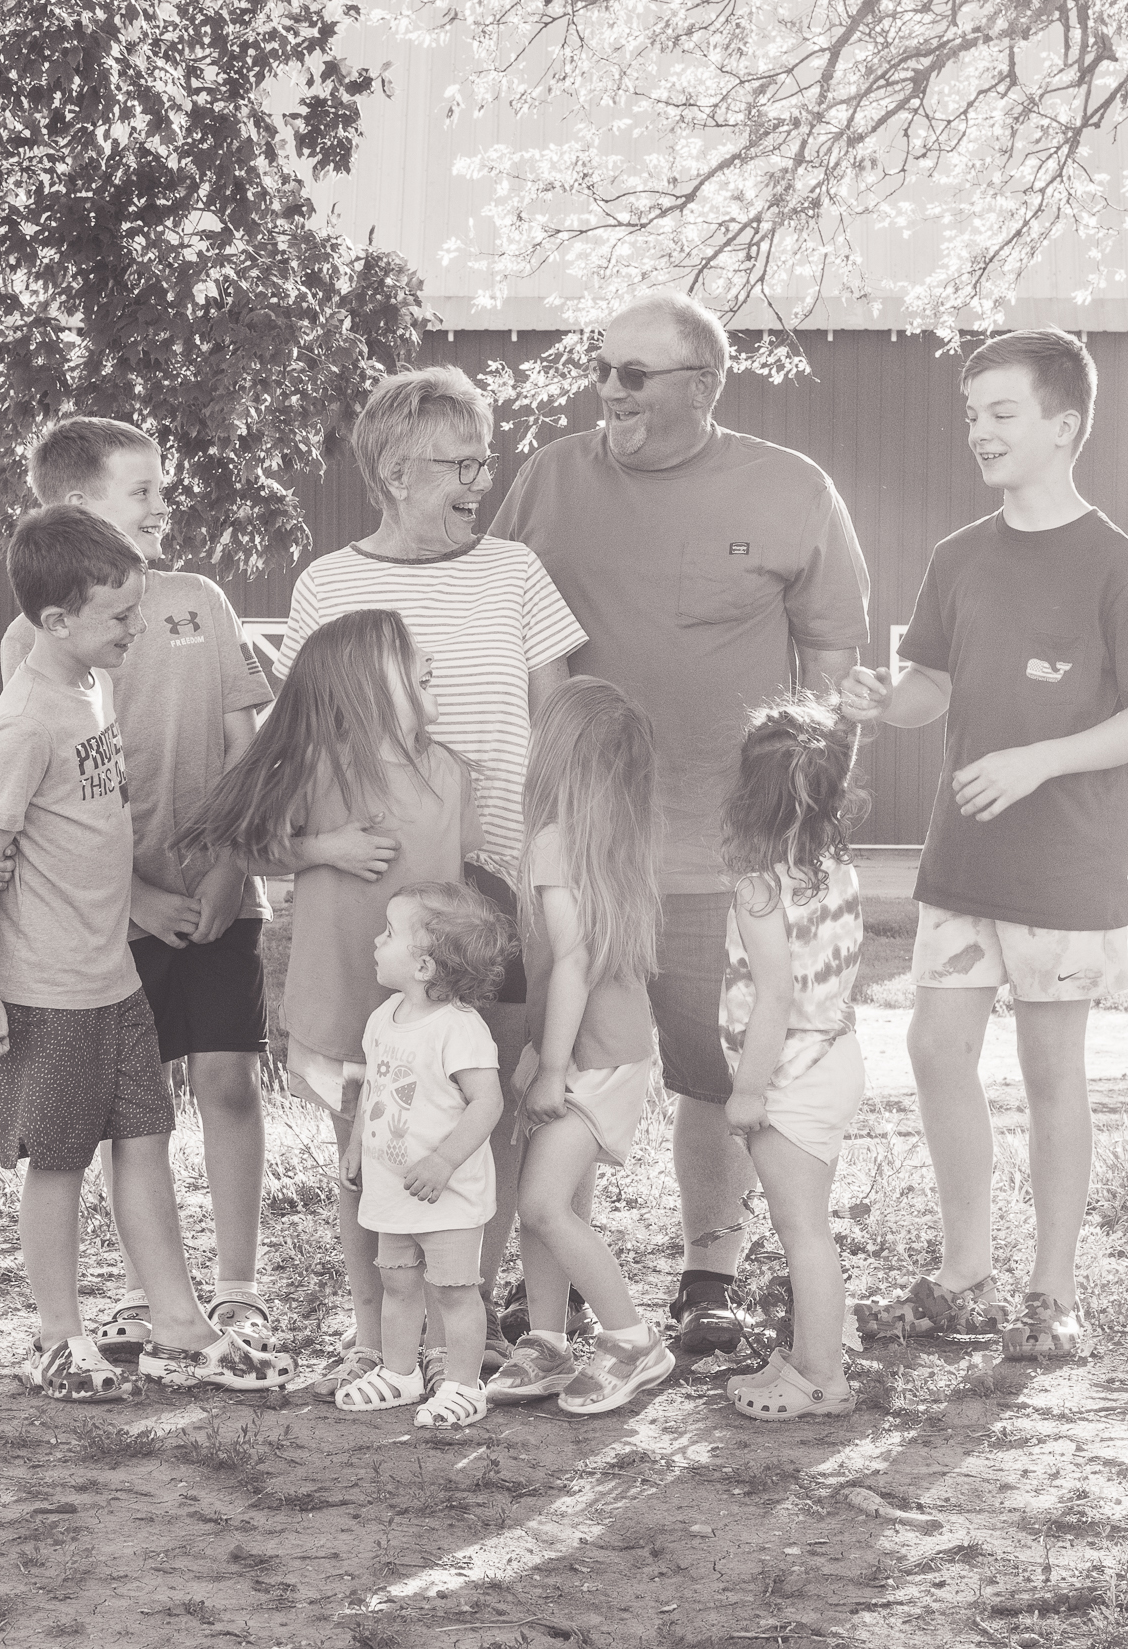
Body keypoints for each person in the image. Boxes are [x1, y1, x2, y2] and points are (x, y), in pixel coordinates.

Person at [490, 291, 872, 1352]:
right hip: (583, 850)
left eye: (632, 374)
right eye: (599, 368)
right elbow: (505, 623)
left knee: (713, 1073)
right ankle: (559, 1276)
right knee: (565, 1061)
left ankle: (710, 1272)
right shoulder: (550, 481)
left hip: (725, 851)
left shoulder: (790, 491)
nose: (605, 391)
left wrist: (800, 815)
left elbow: (831, 663)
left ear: (701, 386)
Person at [0, 418, 395, 1361]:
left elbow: (246, 748)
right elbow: (47, 793)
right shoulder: (31, 636)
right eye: (141, 492)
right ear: (75, 508)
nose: (163, 504)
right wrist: (134, 899)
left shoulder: (198, 601)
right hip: (107, 914)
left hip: (221, 890)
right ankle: (146, 1291)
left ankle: (237, 1287)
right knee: (134, 1110)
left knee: (225, 1079)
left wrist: (230, 866)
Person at [841, 327, 1128, 1360]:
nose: (977, 431)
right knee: (934, 1048)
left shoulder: (1115, 565)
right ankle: (963, 1278)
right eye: (970, 414)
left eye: (1000, 413)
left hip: (1065, 871)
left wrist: (1039, 760)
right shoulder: (956, 557)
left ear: (1062, 426)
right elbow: (930, 689)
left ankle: (1052, 1294)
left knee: (1049, 1075)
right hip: (962, 865)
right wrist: (882, 698)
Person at [277, 366, 587, 1357]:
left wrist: (561, 851)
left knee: (477, 1097)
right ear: (395, 472)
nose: (477, 480)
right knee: (373, 1107)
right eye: (458, 462)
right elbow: (296, 740)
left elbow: (561, 720)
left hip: (497, 883)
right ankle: (380, 1323)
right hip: (376, 892)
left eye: (481, 459)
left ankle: (469, 1311)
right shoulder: (330, 585)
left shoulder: (515, 572)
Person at [0, 504, 291, 1399]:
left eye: (138, 612)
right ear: (55, 621)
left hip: (113, 976)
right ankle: (60, 1339)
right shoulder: (26, 721)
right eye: (119, 618)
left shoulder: (90, 687)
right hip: (50, 987)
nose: (136, 630)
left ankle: (180, 1322)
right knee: (60, 1161)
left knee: (144, 1139)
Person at [182, 608, 483, 1396]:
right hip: (344, 1015)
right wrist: (323, 848)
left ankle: (435, 1334)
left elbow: (466, 889)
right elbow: (242, 839)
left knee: (431, 1173)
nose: (432, 670)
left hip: (427, 1028)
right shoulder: (320, 769)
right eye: (414, 662)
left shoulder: (451, 774)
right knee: (363, 1179)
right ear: (365, 682)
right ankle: (370, 1331)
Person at [484, 679, 677, 1415]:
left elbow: (571, 960)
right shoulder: (615, 842)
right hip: (611, 1046)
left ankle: (632, 1341)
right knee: (555, 1194)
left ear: (555, 758)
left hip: (590, 1057)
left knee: (539, 1204)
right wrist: (541, 1047)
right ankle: (547, 1340)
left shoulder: (553, 844)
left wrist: (553, 1066)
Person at [718, 698, 867, 1420]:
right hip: (835, 1056)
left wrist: (748, 1092)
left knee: (803, 1230)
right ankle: (809, 1361)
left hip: (791, 1076)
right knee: (809, 1224)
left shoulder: (759, 883)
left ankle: (825, 1381)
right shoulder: (831, 862)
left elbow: (774, 993)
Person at [336, 882, 510, 1429]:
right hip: (393, 1188)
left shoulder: (459, 1028)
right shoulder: (383, 1017)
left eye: (389, 934)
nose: (376, 939)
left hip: (447, 1193)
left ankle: (463, 1385)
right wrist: (355, 1143)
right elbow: (374, 1090)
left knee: (456, 1292)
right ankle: (401, 1371)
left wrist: (443, 1162)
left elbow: (488, 1103)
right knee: (398, 1283)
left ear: (425, 966)